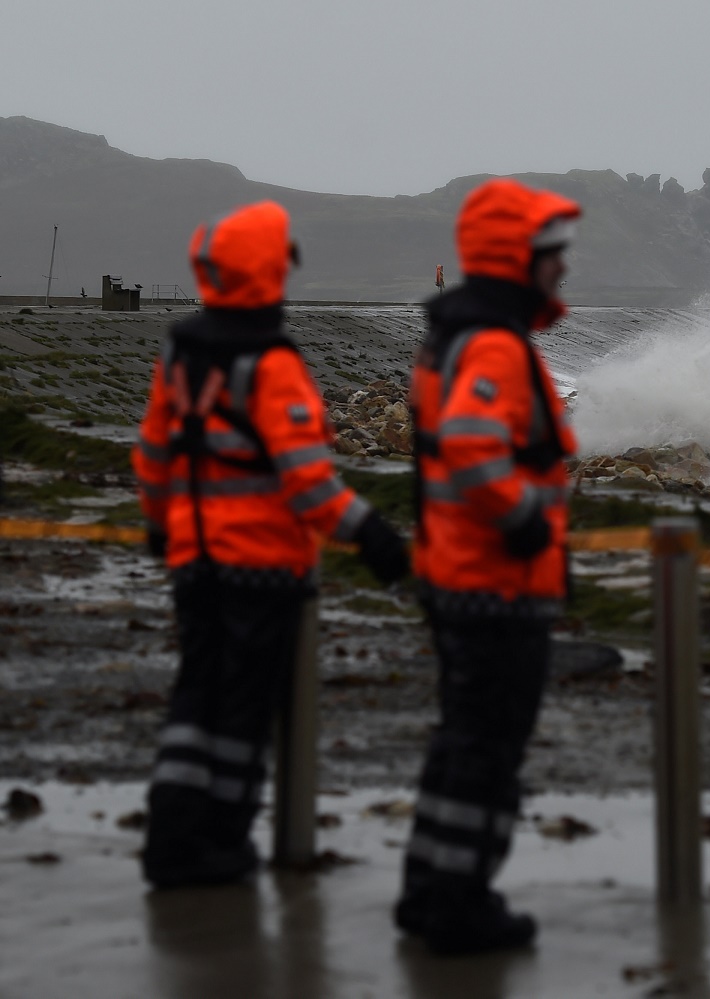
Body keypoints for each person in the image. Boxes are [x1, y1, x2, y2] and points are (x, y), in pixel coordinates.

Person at [132, 200, 410, 889]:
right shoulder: (273, 363)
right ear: (272, 271)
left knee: (195, 699)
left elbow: (154, 450)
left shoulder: (182, 347)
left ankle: (171, 836)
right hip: (259, 569)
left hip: (194, 560)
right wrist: (374, 535)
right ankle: (221, 845)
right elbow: (308, 487)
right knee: (241, 713)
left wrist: (161, 521)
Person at [395, 179, 580, 954]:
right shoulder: (495, 344)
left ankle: (432, 889)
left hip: (463, 575)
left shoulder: (466, 334)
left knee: (464, 742)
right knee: (487, 751)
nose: (562, 270)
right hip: (492, 583)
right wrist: (528, 522)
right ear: (518, 260)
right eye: (552, 256)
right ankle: (459, 907)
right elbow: (474, 445)